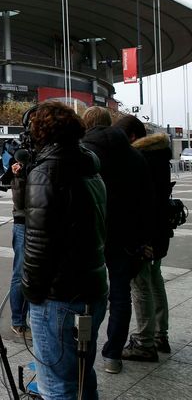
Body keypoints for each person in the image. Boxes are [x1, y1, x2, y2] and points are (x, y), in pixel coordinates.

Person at [22, 102, 108, 399]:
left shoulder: (47, 171)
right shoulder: (89, 166)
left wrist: (31, 293)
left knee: (57, 386)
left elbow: (37, 244)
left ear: (39, 132)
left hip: (59, 296)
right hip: (93, 289)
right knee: (83, 376)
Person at [81, 106, 152, 375]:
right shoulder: (135, 156)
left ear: (86, 126)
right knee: (121, 295)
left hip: (91, 235)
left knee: (86, 294)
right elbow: (147, 200)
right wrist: (144, 238)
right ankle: (113, 355)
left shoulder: (84, 155)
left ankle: (83, 351)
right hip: (126, 236)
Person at [115, 115, 172, 360]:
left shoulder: (140, 159)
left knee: (140, 283)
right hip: (159, 229)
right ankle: (160, 334)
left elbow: (138, 202)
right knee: (155, 279)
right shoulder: (159, 156)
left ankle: (144, 342)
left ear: (132, 138)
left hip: (144, 233)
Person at [0, 140, 29, 339]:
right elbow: (19, 199)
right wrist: (20, 175)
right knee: (20, 273)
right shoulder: (19, 164)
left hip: (34, 222)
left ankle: (25, 318)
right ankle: (18, 320)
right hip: (24, 222)